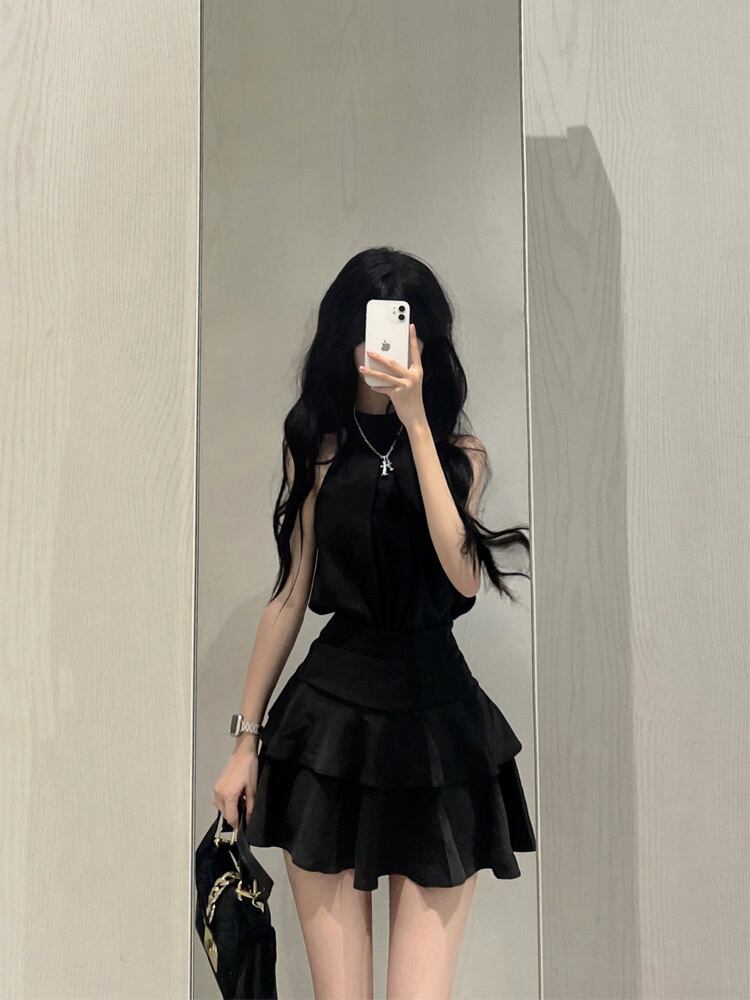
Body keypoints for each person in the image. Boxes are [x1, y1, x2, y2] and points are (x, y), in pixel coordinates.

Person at [212, 247, 537, 999]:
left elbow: (463, 577)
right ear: (344, 336)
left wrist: (417, 423)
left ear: (426, 343)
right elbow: (290, 595)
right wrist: (244, 741)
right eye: (371, 331)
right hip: (329, 728)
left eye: (401, 332)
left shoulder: (461, 456)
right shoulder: (317, 449)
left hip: (438, 727)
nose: (383, 350)